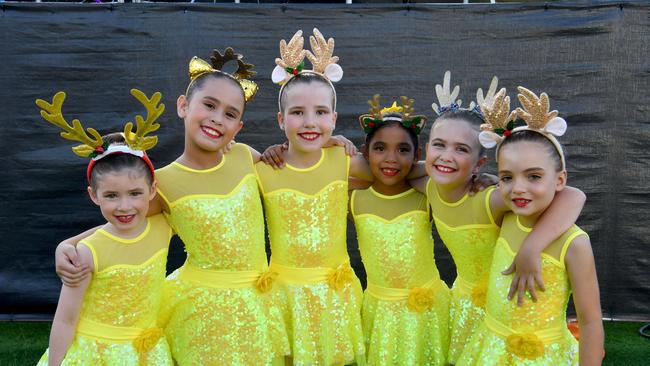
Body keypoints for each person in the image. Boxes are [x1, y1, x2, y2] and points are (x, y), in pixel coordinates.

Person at [54, 49, 291, 365]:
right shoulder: (163, 183)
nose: (217, 119)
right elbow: (123, 222)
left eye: (230, 114)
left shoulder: (245, 156)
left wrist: (333, 143)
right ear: (183, 106)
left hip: (259, 299)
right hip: (203, 308)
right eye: (209, 105)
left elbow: (298, 166)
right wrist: (68, 245)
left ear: (238, 127)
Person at [411, 72, 586, 364]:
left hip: (503, 305)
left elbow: (574, 195)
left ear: (479, 163)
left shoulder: (490, 199)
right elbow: (395, 167)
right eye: (439, 144)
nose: (446, 156)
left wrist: (532, 246)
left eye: (461, 149)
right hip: (462, 303)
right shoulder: (428, 186)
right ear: (426, 149)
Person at [457, 87, 604, 365]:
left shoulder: (574, 244)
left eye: (534, 176)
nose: (518, 189)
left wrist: (532, 246)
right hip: (490, 349)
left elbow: (591, 322)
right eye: (507, 177)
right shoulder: (506, 216)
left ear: (560, 180)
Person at [255, 29, 375, 365]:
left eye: (321, 113)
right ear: (281, 120)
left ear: (334, 119)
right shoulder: (264, 168)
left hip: (335, 297)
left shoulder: (345, 162)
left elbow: (398, 173)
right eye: (297, 113)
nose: (310, 122)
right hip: (283, 298)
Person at [35, 90, 173, 365]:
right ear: (94, 195)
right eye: (111, 196)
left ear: (152, 189)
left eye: (135, 193)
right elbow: (65, 319)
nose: (124, 206)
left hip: (148, 353)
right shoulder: (87, 253)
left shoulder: (164, 227)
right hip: (97, 354)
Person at [351, 95, 450, 365]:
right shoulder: (353, 197)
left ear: (417, 155)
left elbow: (450, 177)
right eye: (380, 148)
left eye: (403, 150)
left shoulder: (427, 195)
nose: (391, 159)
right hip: (380, 314)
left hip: (427, 314)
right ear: (365, 152)